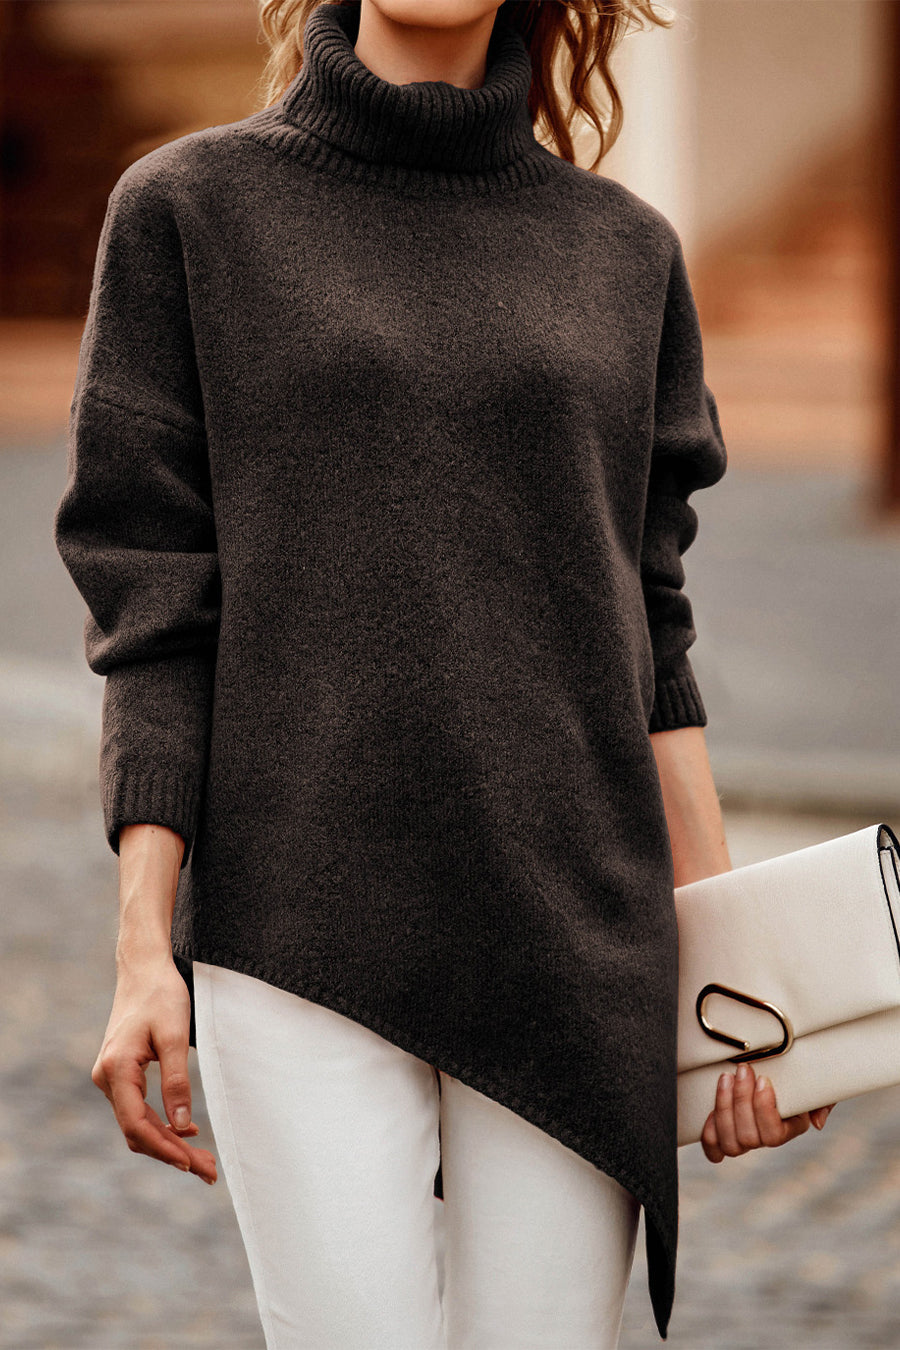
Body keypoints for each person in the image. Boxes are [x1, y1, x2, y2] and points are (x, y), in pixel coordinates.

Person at [53, 1, 836, 1346]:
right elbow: (157, 610)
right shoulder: (188, 212)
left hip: (574, 939)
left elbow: (650, 630)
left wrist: (741, 963)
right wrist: (142, 949)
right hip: (296, 928)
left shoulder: (624, 252)